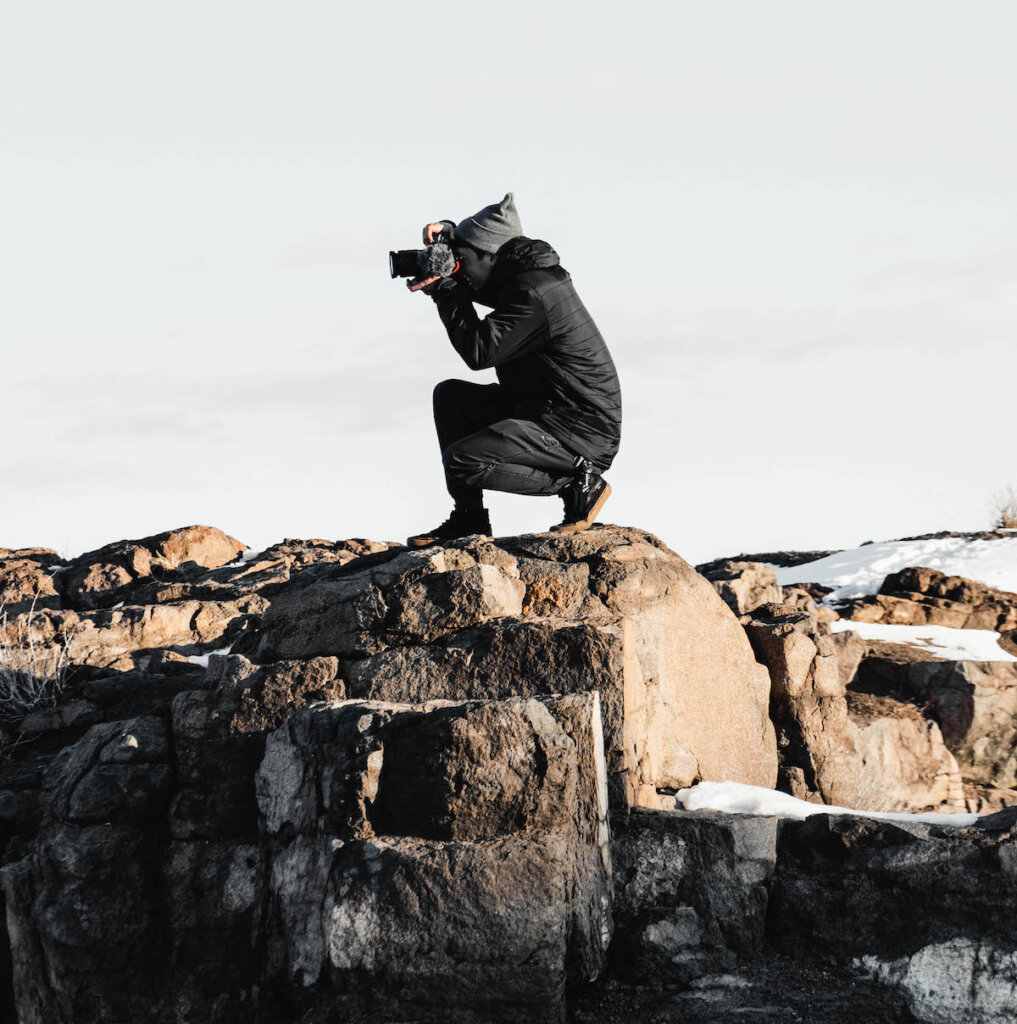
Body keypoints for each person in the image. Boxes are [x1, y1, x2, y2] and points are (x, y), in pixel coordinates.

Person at [407, 193, 621, 548]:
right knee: (451, 397)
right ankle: (468, 520)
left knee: (463, 461)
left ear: (490, 255)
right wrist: (450, 237)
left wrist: (446, 292)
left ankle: (578, 482)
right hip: (544, 408)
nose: (456, 267)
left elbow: (480, 352)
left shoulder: (535, 291)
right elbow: (483, 286)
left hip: (578, 430)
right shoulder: (523, 279)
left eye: (461, 260)